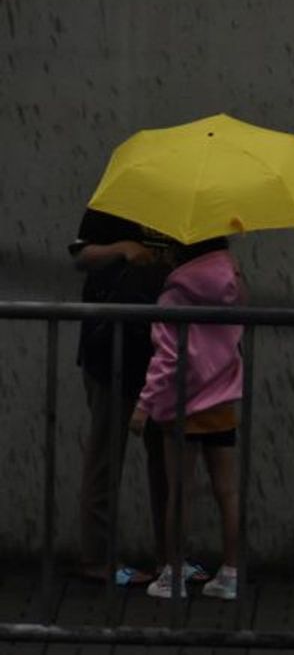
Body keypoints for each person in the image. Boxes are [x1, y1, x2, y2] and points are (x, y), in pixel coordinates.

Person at [129, 237, 246, 600]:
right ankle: (230, 573)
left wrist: (143, 405)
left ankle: (173, 575)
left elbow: (167, 358)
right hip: (222, 401)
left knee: (179, 492)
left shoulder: (173, 295)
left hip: (182, 406)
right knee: (227, 492)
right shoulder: (235, 286)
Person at [70, 210, 172, 586]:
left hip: (163, 352)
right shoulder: (115, 197)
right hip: (110, 347)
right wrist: (122, 249)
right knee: (106, 456)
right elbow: (81, 256)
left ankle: (169, 555)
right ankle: (97, 557)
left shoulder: (187, 201)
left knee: (167, 460)